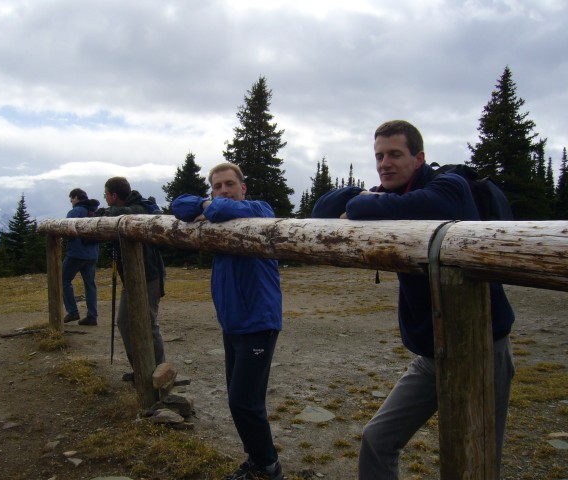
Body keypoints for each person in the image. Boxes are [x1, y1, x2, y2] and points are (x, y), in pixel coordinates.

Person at [312, 120, 515, 479]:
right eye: (379, 156)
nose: (385, 163)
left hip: (483, 347)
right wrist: (363, 195)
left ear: (419, 158)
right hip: (431, 352)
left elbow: (426, 204)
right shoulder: (389, 195)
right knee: (377, 439)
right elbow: (320, 213)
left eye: (395, 154)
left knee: (479, 455)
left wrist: (364, 205)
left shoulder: (451, 185)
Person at [172, 163, 284, 480]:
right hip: (233, 323)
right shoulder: (221, 213)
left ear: (242, 188)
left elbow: (216, 209)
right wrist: (209, 208)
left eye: (229, 185)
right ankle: (258, 461)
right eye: (217, 186)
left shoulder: (260, 209)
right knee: (240, 401)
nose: (223, 191)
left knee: (244, 402)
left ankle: (268, 467)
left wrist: (207, 207)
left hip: (258, 321)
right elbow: (178, 203)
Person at [95, 176, 166, 381]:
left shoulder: (139, 208)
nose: (105, 198)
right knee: (125, 321)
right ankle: (141, 369)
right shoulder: (132, 207)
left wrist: (105, 213)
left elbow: (118, 213)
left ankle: (160, 373)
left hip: (150, 275)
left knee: (149, 322)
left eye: (106, 194)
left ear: (114, 195)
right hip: (132, 276)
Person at [62, 188, 100, 326]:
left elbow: (66, 230)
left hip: (76, 253)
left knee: (64, 279)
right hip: (92, 253)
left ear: (76, 197)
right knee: (90, 284)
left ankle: (72, 311)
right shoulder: (93, 211)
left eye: (71, 198)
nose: (71, 201)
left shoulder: (75, 212)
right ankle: (92, 316)